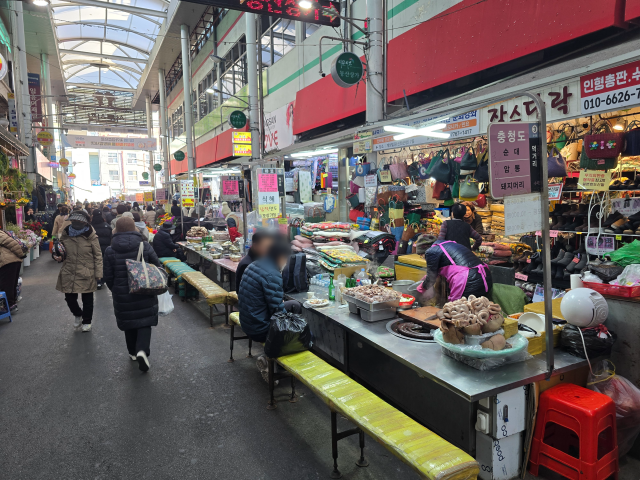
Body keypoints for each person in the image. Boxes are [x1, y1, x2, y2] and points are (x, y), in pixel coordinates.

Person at [103, 217, 162, 372]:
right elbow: (157, 266)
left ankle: (132, 353)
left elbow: (108, 276)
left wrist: (116, 289)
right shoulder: (145, 246)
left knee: (129, 322)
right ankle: (142, 350)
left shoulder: (110, 250)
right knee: (144, 321)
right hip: (145, 290)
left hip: (122, 293)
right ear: (134, 228)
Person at [238, 237, 302, 344]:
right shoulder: (272, 274)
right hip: (260, 330)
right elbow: (278, 312)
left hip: (247, 323)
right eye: (286, 258)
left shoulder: (253, 264)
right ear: (280, 257)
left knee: (294, 305)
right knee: (296, 313)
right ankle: (285, 345)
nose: (285, 262)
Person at [56, 211, 103, 332]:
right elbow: (61, 251)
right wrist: (58, 255)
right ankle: (78, 314)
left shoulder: (91, 235)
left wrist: (98, 274)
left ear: (85, 222)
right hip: (69, 270)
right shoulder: (66, 234)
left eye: (79, 221)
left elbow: (98, 255)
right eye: (74, 221)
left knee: (87, 298)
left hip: (86, 270)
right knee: (69, 298)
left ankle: (87, 321)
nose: (76, 223)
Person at [420, 238, 492, 302]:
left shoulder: (431, 252)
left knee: (457, 310)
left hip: (468, 279)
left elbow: (431, 278)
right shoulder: (447, 245)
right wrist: (424, 280)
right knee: (477, 309)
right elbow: (434, 272)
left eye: (421, 255)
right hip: (485, 275)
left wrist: (421, 289)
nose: (422, 257)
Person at [0, 229, 27, 313]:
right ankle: (11, 304)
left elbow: (12, 243)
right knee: (11, 284)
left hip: (8, 262)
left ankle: (10, 305)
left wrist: (20, 254)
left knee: (7, 284)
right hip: (11, 261)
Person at [91, 209, 112, 289]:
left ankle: (97, 280)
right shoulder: (107, 225)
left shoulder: (90, 226)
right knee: (103, 264)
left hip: (93, 248)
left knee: (95, 263)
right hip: (105, 248)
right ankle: (102, 280)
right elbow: (111, 236)